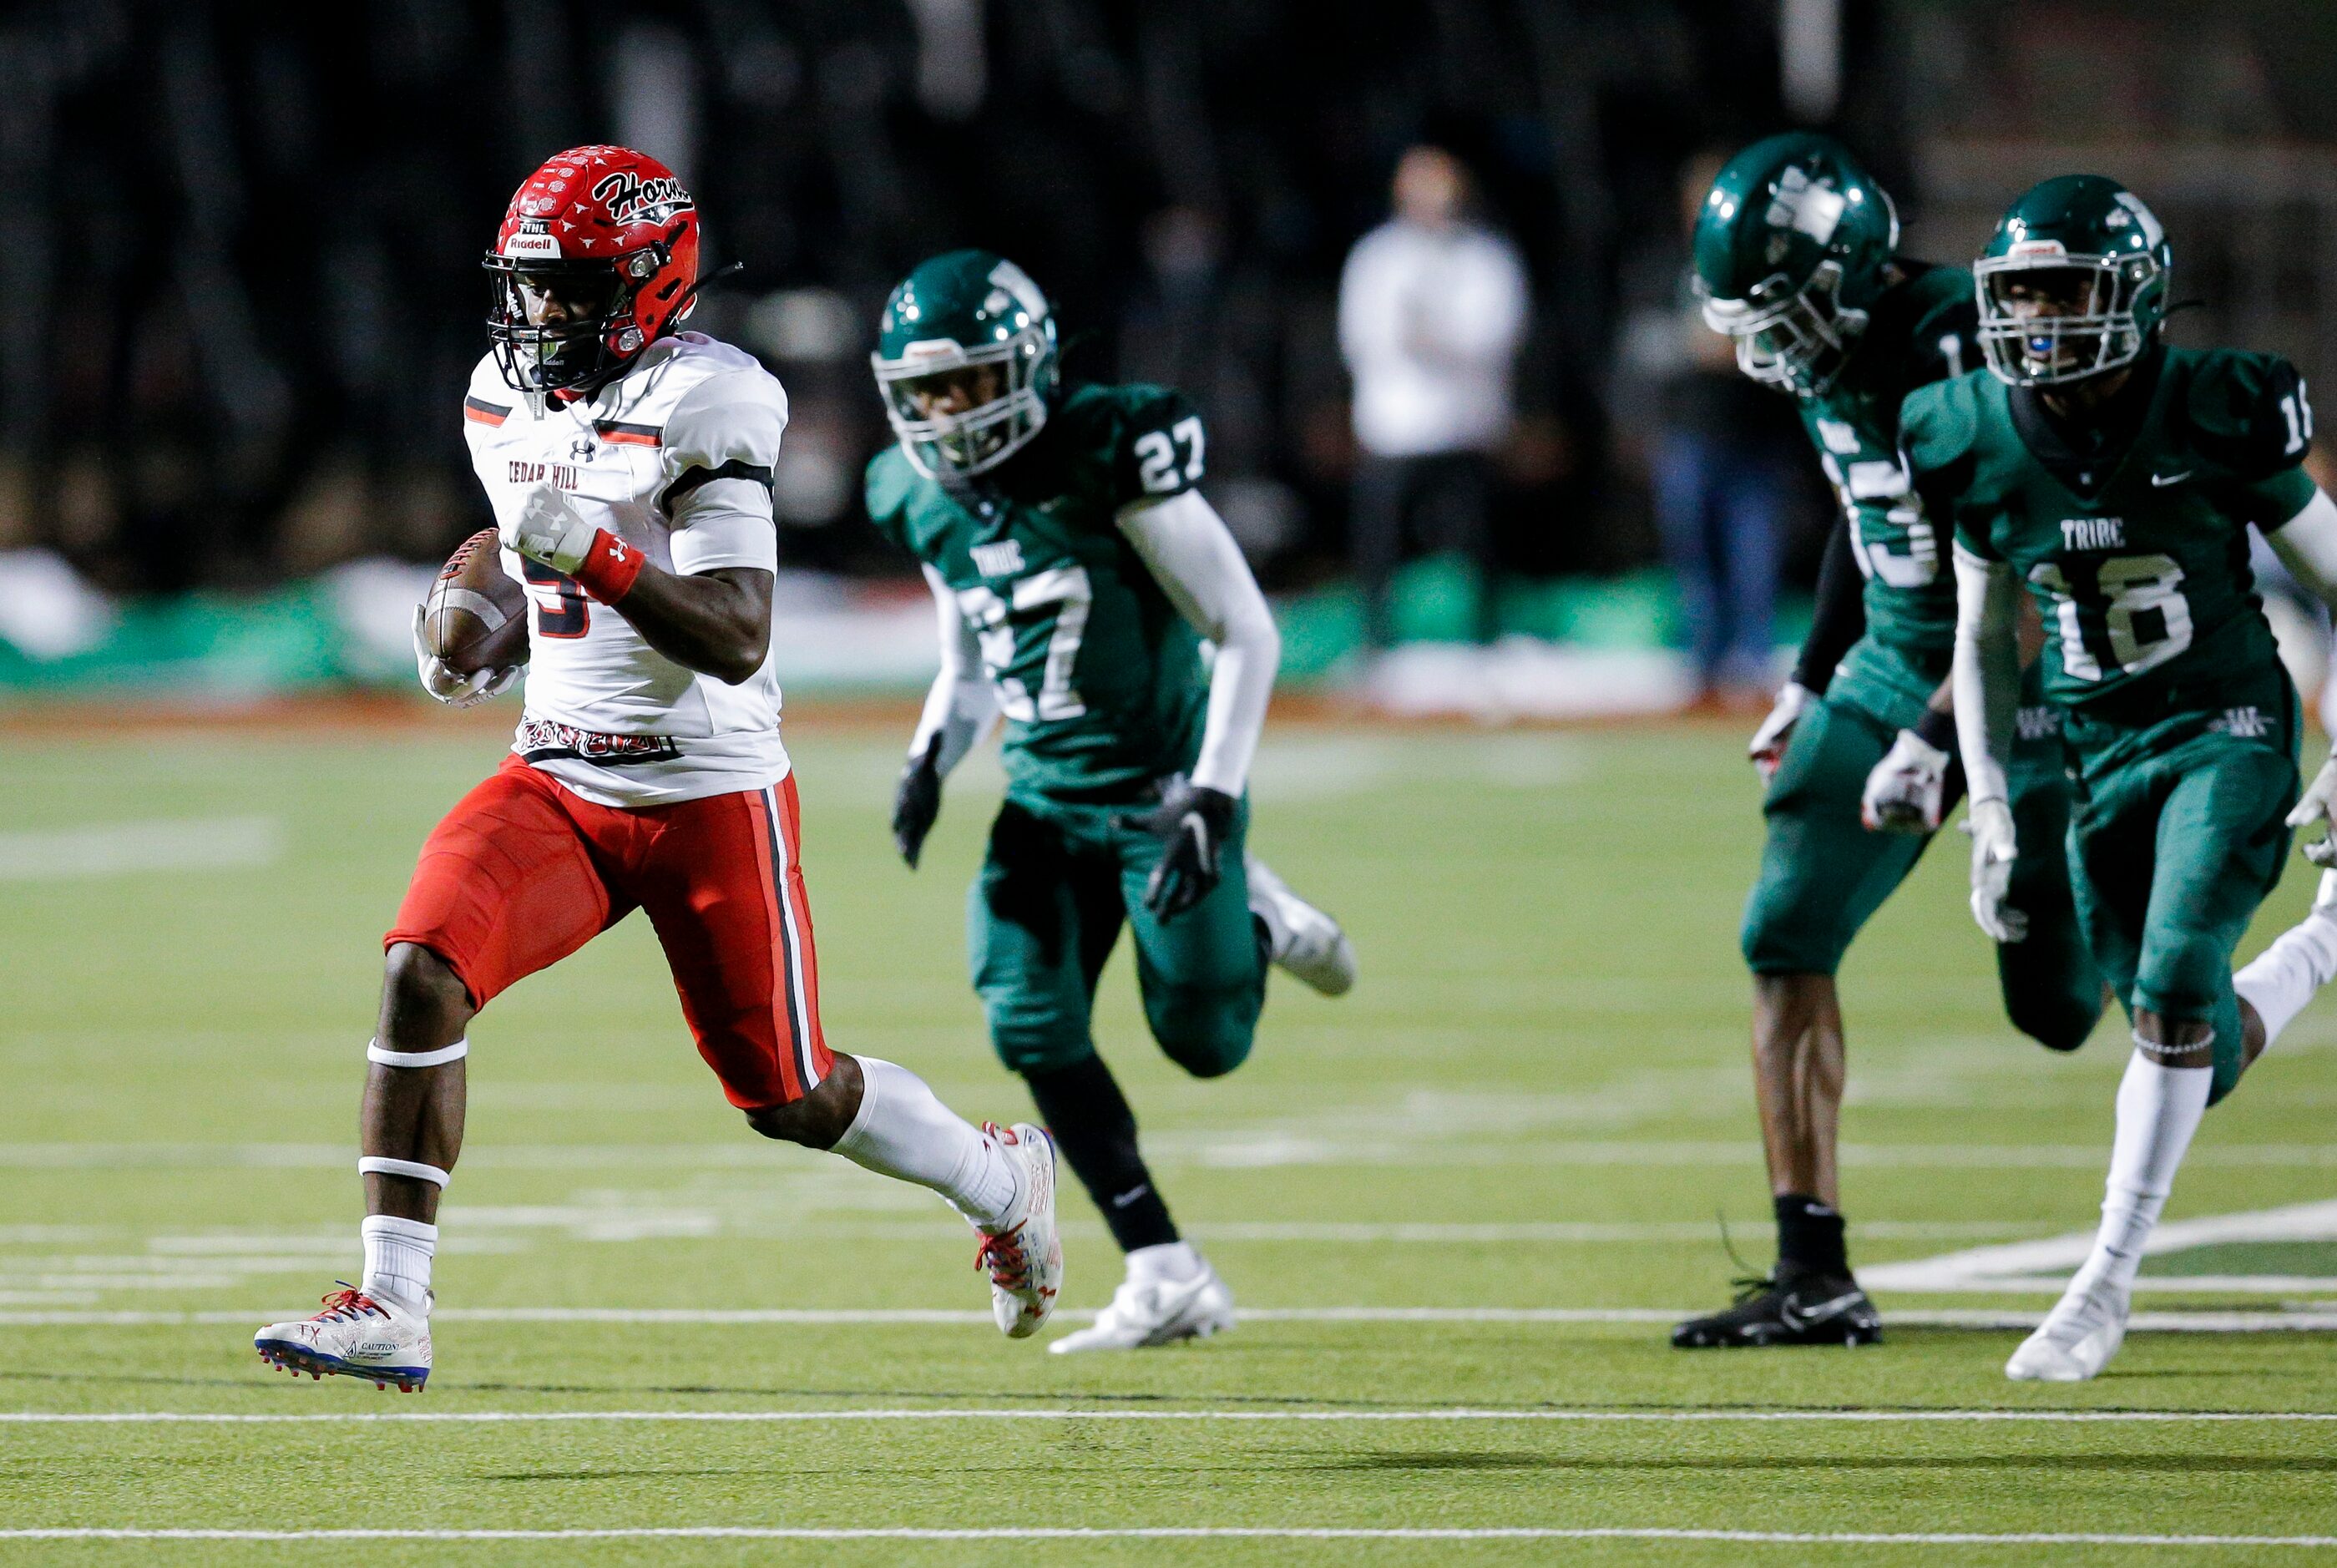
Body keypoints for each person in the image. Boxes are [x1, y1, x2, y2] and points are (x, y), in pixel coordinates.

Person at [254, 150, 1062, 1393]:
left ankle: (1000, 1177)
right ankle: (393, 1302)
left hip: (704, 788)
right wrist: (483, 628)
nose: (537, 319)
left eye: (566, 290)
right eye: (525, 289)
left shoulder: (708, 397)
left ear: (645, 283)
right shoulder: (496, 397)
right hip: (560, 779)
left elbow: (737, 632)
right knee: (422, 967)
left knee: (786, 1091)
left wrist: (587, 551)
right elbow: (527, 565)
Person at [867, 249, 1357, 1353]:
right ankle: (1162, 1264)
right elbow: (974, 656)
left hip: (1157, 797)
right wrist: (926, 761)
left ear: (1027, 368)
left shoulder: (1105, 450)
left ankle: (1260, 911)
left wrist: (1213, 797)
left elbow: (1246, 629)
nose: (945, 416)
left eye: (966, 385)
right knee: (1024, 1012)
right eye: (924, 394)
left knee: (1204, 1039)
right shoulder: (912, 492)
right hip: (1042, 803)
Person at [1671, 133, 2107, 1352]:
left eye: (1790, 307)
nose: (1773, 340)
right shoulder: (1826, 352)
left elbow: (2023, 550)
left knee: (2059, 1005)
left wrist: (1939, 739)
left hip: (2018, 665)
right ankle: (1813, 1269)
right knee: (1780, 929)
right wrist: (1809, 682)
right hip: (1890, 653)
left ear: (1853, 268)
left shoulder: (1961, 341)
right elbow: (1860, 518)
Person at [1915, 174, 2337, 1381]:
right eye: (2020, 294)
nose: (2038, 320)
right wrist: (1989, 796)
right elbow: (1980, 634)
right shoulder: (1966, 431)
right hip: (2095, 752)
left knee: (2165, 988)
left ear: (2136, 297)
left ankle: (2101, 1282)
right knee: (2182, 1052)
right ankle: (2320, 946)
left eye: (2064, 290)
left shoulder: (2217, 408)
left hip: (2225, 724)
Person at [1338, 145, 1529, 651]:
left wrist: (1437, 341)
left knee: (1480, 550)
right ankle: (1377, 649)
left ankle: (1485, 647)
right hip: (1395, 431)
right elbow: (1360, 337)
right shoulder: (1376, 258)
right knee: (1381, 551)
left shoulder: (1486, 256)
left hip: (1465, 429)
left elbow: (1498, 335)